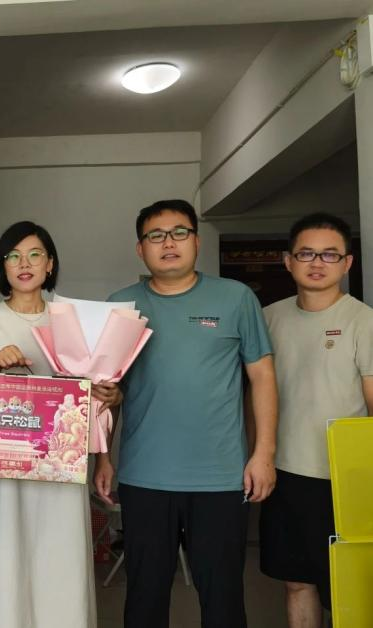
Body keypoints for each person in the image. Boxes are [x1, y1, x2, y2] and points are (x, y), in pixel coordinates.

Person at [94, 199, 278, 628]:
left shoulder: (236, 298)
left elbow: (263, 377)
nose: (168, 243)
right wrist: (103, 457)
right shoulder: (120, 306)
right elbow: (107, 388)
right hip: (145, 476)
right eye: (155, 236)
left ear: (196, 241)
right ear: (140, 249)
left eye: (179, 232)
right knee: (144, 596)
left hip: (220, 477)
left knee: (223, 597)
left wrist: (264, 454)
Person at [0, 221, 120, 628]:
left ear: (50, 264)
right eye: (13, 256)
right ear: (3, 266)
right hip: (3, 469)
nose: (24, 264)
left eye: (35, 254)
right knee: (5, 555)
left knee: (60, 560)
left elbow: (94, 395)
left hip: (61, 467)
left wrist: (109, 403)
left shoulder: (72, 321)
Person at [259, 213, 373, 628]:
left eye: (330, 254)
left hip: (344, 480)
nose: (317, 263)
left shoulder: (364, 321)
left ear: (347, 263)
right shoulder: (267, 318)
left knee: (347, 586)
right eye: (306, 253)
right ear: (288, 261)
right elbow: (255, 395)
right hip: (284, 473)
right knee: (296, 582)